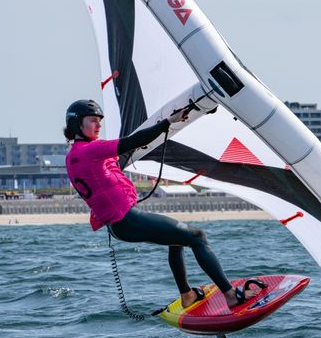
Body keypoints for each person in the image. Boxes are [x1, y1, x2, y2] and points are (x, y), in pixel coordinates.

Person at [63, 99, 260, 309]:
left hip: (119, 225)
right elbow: (130, 142)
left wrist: (150, 138)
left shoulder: (76, 155)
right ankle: (231, 295)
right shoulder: (91, 150)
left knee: (176, 240)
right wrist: (167, 122)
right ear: (77, 125)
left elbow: (118, 160)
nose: (99, 125)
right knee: (197, 237)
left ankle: (187, 295)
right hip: (127, 220)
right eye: (93, 120)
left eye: (100, 120)